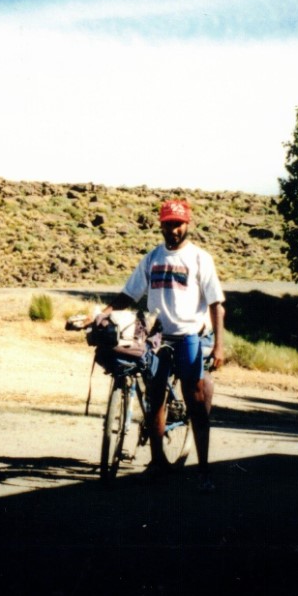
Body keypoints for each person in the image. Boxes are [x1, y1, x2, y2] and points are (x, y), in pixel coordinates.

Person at [95, 198, 225, 493]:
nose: (173, 230)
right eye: (168, 224)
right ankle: (157, 463)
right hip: (155, 336)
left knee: (195, 400)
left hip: (187, 335)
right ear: (161, 225)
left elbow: (217, 304)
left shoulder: (199, 258)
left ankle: (204, 471)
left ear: (187, 224)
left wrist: (218, 346)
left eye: (178, 224)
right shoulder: (153, 258)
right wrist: (101, 316)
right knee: (155, 399)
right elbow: (128, 295)